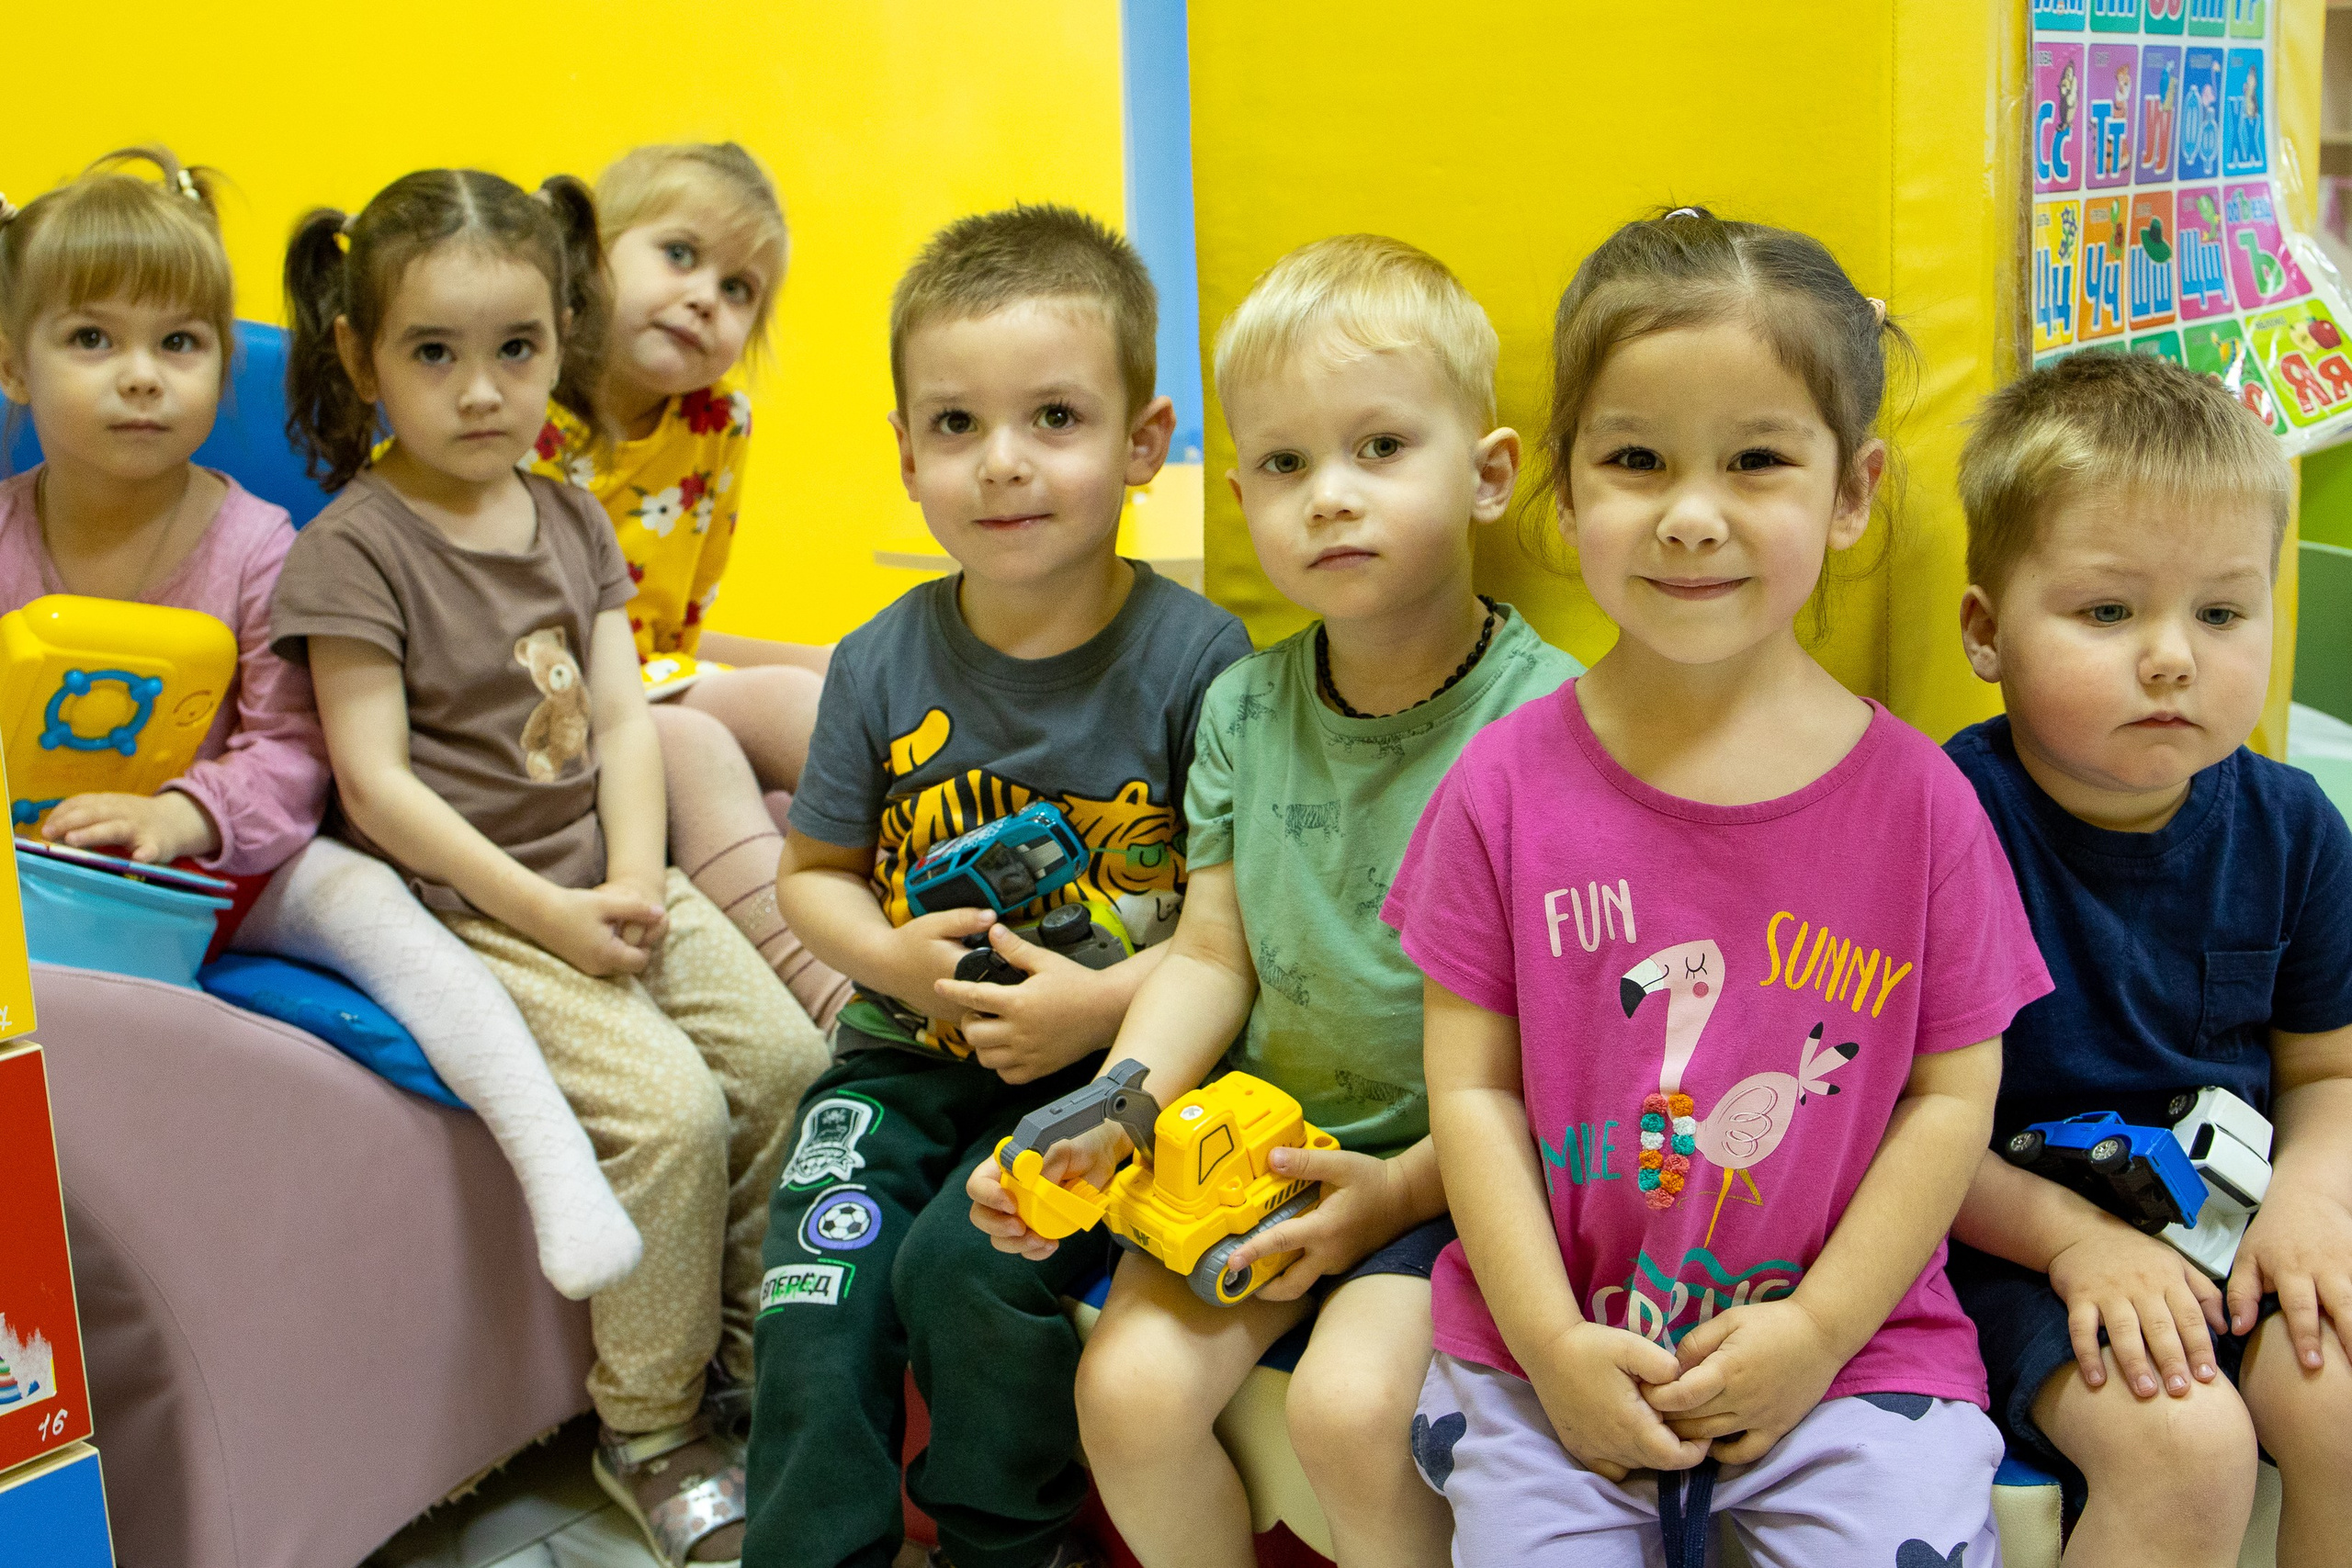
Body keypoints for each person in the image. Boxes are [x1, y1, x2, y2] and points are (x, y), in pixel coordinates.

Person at [1386, 208, 2052, 1567]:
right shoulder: (1501, 786)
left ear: (1853, 490)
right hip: (1546, 1349)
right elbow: (1472, 1090)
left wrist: (1815, 1332)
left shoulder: (1925, 803)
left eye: (1757, 459)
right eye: (1637, 459)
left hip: (1859, 1355)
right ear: (1566, 495)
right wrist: (1557, 1346)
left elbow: (1951, 1097)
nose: (1693, 515)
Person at [967, 234, 1577, 1568]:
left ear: (1487, 475)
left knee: (1355, 1414)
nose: (1330, 497)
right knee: (1124, 1398)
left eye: (1379, 449)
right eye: (1288, 465)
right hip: (1251, 1150)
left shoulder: (1551, 726)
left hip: (1457, 1176)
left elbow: (1567, 1048)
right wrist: (1112, 1100)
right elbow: (1211, 953)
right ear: (1238, 491)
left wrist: (1396, 1188)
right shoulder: (1244, 702)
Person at [274, 167, 828, 1566]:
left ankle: (765, 1374)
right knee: (671, 1113)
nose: (480, 392)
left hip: (611, 873)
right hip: (481, 904)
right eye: (434, 355)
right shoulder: (352, 551)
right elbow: (375, 784)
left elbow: (627, 713)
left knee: (785, 1064)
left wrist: (637, 875)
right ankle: (648, 1424)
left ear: (559, 341)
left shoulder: (570, 516)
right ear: (360, 357)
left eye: (515, 352)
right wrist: (555, 912)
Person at [0, 149, 640, 1305]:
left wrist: (184, 815)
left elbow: (294, 753)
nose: (141, 378)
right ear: (11, 361)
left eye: (179, 345)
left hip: (240, 865)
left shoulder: (257, 545)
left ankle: (558, 1167)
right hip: (39, 865)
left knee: (378, 909)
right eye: (92, 341)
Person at [744, 203, 1252, 1568]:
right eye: (956, 425)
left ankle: (1004, 1546)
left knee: (971, 1265)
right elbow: (813, 877)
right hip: (901, 1056)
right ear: (905, 450)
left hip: (1103, 1079)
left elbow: (1234, 930)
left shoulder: (1202, 661)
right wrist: (899, 964)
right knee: (817, 1281)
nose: (1002, 464)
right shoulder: (875, 661)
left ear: (1145, 443)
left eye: (1055, 418)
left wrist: (1100, 1016)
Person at [1944, 350, 2352, 1568]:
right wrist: (2077, 1244)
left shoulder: (2293, 828)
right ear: (1987, 630)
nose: (2173, 656)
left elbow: (2327, 1072)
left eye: (2222, 612)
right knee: (2189, 1447)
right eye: (2109, 610)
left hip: (2238, 1227)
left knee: (2339, 1399)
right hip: (2018, 1243)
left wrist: (2311, 1202)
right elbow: (1900, 1131)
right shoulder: (1942, 826)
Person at [527, 142, 848, 1029]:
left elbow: (670, 631)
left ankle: (972, 897)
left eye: (740, 288)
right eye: (679, 254)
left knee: (804, 697)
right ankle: (840, 1007)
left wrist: (827, 659)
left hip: (646, 675)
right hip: (543, 702)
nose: (708, 294)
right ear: (590, 258)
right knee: (696, 751)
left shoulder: (718, 422)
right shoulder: (517, 405)